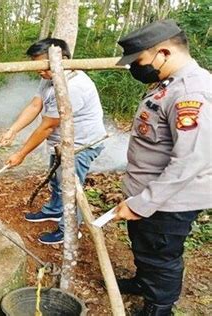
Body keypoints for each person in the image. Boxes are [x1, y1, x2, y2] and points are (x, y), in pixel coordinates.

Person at [113, 20, 211, 315]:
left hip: (168, 202)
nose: (135, 69)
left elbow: (191, 159)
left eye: (139, 61)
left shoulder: (192, 93)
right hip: (150, 196)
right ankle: (144, 283)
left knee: (161, 256)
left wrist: (142, 203)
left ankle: (158, 307)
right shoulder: (169, 83)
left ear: (164, 53)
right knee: (146, 248)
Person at [0, 38, 107, 245]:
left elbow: (47, 126)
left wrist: (21, 154)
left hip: (81, 144)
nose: (39, 71)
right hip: (61, 142)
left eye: (43, 65)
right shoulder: (49, 75)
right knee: (58, 181)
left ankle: (70, 230)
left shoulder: (75, 86)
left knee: (70, 187)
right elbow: (34, 105)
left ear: (62, 60)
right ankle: (54, 211)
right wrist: (12, 130)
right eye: (36, 65)